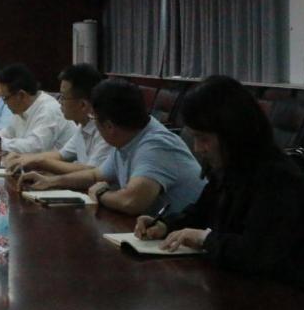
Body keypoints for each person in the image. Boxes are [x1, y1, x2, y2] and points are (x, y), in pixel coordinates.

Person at [134, 76, 304, 299]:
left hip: (292, 299)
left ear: (232, 132)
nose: (198, 148)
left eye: (203, 138)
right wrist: (164, 225)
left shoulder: (277, 179)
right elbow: (200, 214)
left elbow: (255, 254)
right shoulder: (230, 167)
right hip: (243, 288)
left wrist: (204, 239)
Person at [34, 79, 205, 215]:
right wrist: (51, 181)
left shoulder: (156, 145)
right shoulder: (128, 138)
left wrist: (101, 194)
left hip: (190, 237)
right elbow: (95, 175)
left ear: (109, 126)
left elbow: (131, 202)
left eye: (94, 119)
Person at [8, 63, 113, 185]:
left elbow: (92, 171)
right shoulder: (82, 126)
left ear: (83, 105)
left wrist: (40, 162)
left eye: (63, 97)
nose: (60, 102)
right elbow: (61, 155)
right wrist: (24, 158)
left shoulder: (105, 130)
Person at [0, 63, 77, 154]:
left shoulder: (48, 109)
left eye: (5, 98)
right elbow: (9, 132)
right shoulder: (21, 109)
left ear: (21, 95)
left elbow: (35, 147)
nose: (5, 103)